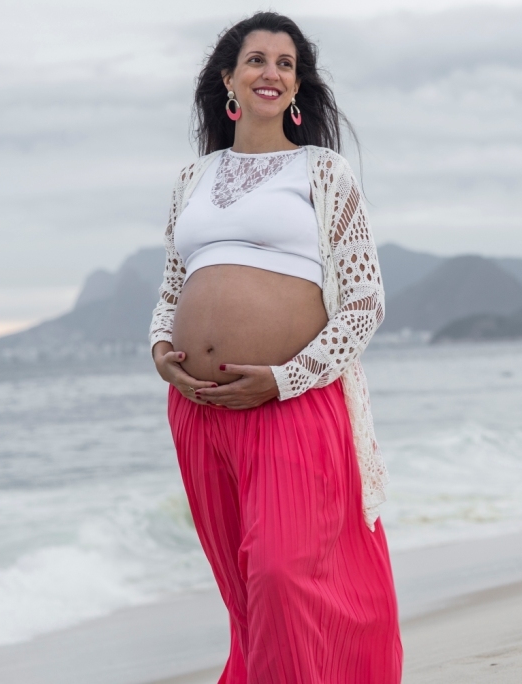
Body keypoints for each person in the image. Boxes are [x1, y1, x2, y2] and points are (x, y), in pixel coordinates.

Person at [148, 12, 402, 683]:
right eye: (257, 60)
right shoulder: (191, 181)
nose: (272, 73)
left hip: (293, 404)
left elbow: (365, 303)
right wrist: (159, 348)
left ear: (297, 88)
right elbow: (173, 289)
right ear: (228, 79)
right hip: (199, 415)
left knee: (283, 577)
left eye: (286, 64)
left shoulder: (324, 173)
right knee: (249, 597)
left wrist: (286, 378)